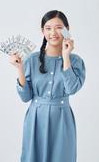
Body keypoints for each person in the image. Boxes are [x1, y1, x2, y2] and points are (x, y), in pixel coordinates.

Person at [9, 10, 86, 162]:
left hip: (62, 119)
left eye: (58, 27)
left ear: (67, 29)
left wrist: (65, 57)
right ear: (42, 31)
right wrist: (20, 70)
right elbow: (25, 97)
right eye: (48, 28)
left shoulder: (76, 61)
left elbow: (72, 89)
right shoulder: (32, 59)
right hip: (36, 119)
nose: (53, 32)